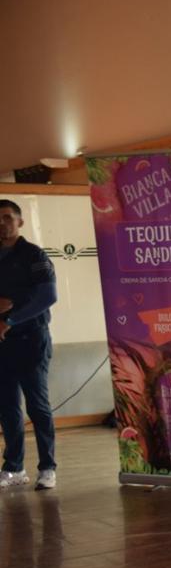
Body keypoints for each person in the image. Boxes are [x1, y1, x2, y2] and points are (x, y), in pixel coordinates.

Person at [0, 199, 59, 490]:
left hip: (31, 340)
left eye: (7, 217)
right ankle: (14, 468)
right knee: (8, 408)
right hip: (3, 347)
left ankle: (47, 467)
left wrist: (10, 317)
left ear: (19, 222)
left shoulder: (34, 255)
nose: (2, 223)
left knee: (37, 407)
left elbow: (47, 297)